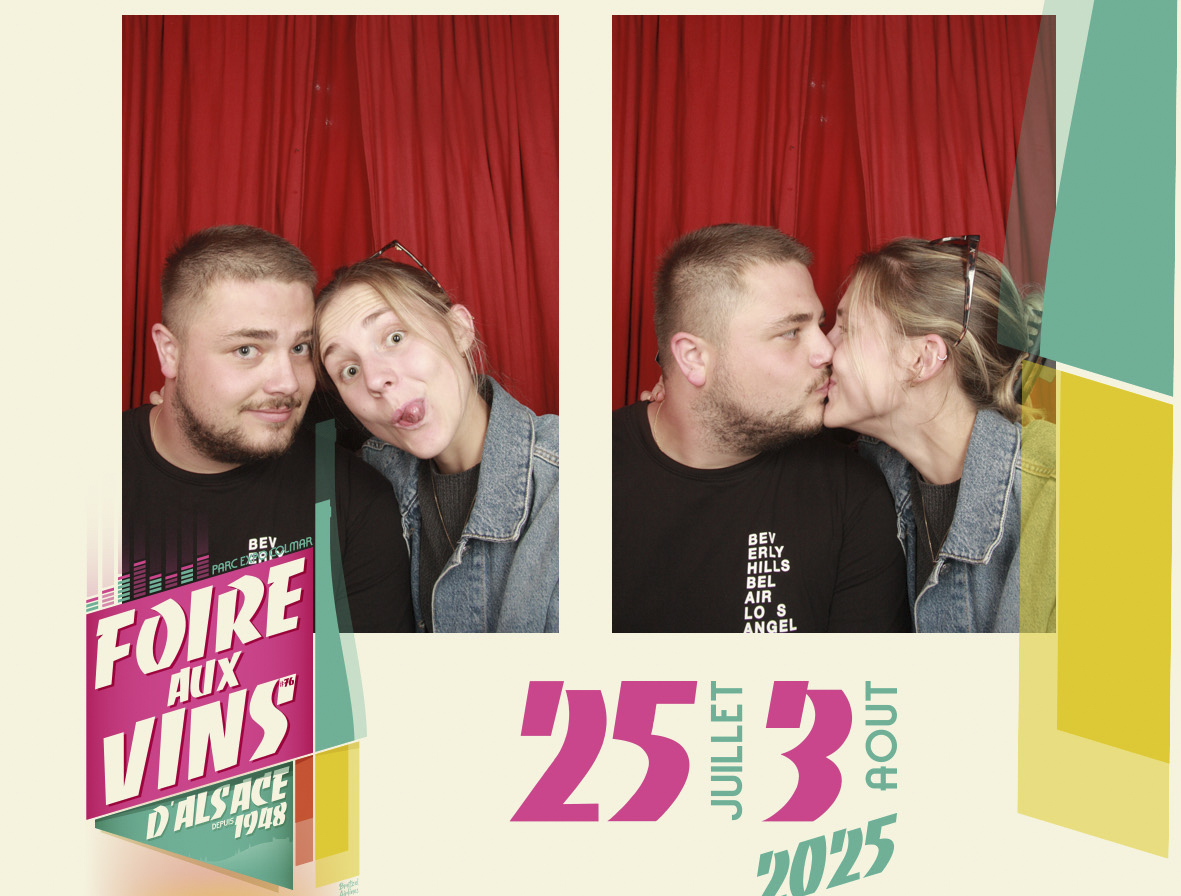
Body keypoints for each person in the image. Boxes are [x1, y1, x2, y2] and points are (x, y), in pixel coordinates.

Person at [613, 224, 909, 634]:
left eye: (820, 324)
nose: (827, 350)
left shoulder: (853, 495)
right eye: (790, 332)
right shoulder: (574, 480)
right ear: (693, 358)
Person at [124, 226, 415, 633]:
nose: (289, 383)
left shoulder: (354, 503)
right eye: (247, 350)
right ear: (170, 352)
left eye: (300, 348)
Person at [314, 245, 558, 632]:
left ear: (459, 330)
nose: (375, 379)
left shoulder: (572, 483)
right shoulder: (366, 479)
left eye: (395, 337)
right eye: (349, 370)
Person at [824, 237, 1056, 632]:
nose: (823, 347)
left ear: (922, 358)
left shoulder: (1065, 496)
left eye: (846, 328)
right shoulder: (869, 474)